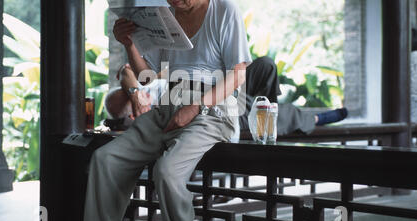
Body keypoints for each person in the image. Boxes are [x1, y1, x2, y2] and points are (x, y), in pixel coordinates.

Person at [82, 0, 252, 221]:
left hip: (212, 110)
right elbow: (147, 78)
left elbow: (238, 73)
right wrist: (129, 44)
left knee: (167, 172)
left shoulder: (224, 10)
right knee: (104, 160)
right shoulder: (165, 18)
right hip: (168, 105)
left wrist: (196, 106)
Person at [105, 56, 349, 138]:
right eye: (129, 105)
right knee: (255, 110)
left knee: (265, 65)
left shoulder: (144, 86)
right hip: (210, 105)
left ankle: (265, 119)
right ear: (130, 115)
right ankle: (311, 119)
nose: (141, 97)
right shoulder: (150, 114)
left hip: (221, 85)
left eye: (129, 94)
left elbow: (126, 71)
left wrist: (135, 93)